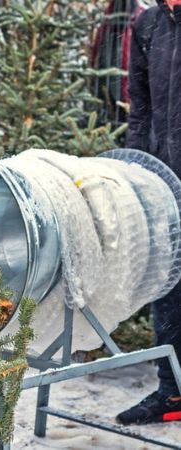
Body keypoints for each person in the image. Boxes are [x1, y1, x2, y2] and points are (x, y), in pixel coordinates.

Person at [117, 0, 181, 426]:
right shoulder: (150, 23)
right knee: (170, 285)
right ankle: (172, 394)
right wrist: (138, 168)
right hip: (166, 180)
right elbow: (140, 106)